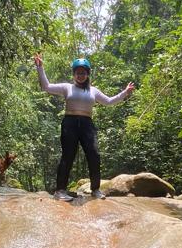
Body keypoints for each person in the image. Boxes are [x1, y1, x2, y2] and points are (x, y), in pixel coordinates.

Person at [34, 54, 135, 200]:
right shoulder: (66, 87)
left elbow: (109, 101)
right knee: (67, 156)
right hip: (70, 123)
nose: (80, 75)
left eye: (83, 72)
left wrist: (125, 92)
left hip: (87, 124)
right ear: (74, 74)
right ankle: (60, 191)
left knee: (94, 156)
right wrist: (40, 67)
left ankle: (95, 190)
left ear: (88, 74)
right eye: (78, 72)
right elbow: (46, 86)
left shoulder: (93, 90)